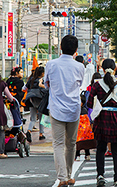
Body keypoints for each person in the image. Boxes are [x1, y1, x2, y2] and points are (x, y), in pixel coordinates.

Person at [44, 35, 85, 187]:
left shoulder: (51, 64)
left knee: (58, 144)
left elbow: (47, 85)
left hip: (56, 108)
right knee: (71, 143)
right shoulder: (80, 66)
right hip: (74, 108)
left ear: (60, 47)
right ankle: (69, 175)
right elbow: (80, 84)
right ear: (75, 50)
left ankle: (62, 177)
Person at [87, 58, 117, 187]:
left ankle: (100, 175)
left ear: (102, 69)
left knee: (100, 149)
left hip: (102, 120)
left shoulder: (96, 85)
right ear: (115, 69)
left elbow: (89, 103)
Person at [25, 66, 46, 142]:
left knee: (33, 118)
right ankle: (41, 134)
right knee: (41, 118)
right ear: (42, 73)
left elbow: (24, 88)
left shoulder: (31, 79)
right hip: (40, 101)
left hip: (31, 100)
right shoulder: (42, 80)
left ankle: (29, 131)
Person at [75, 93, 96, 161]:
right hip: (81, 131)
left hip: (83, 130)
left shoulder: (83, 110)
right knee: (80, 143)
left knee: (85, 143)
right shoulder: (83, 110)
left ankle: (87, 154)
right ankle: (78, 155)